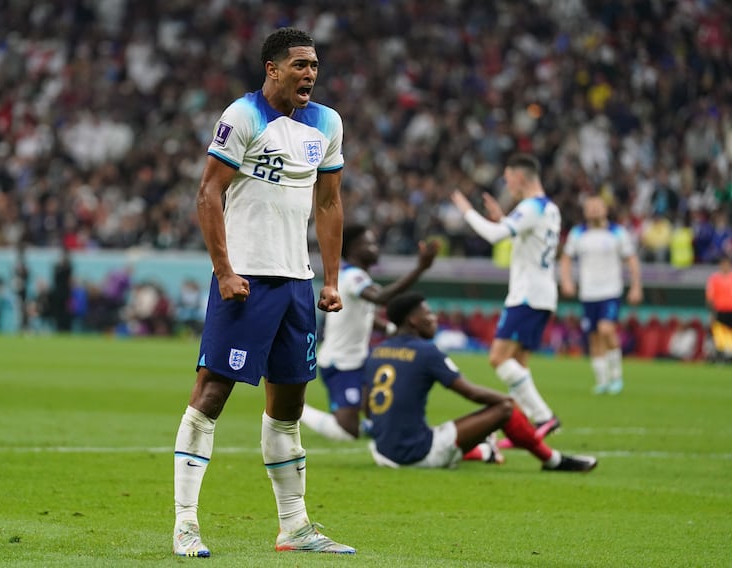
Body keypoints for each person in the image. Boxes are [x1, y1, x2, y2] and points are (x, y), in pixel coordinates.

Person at [172, 28, 355, 558]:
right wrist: (225, 271)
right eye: (300, 65)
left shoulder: (327, 123)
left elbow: (329, 204)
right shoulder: (243, 116)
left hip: (297, 285)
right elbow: (209, 192)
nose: (310, 74)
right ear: (272, 69)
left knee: (288, 408)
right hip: (246, 282)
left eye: (315, 65)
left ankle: (294, 527)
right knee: (210, 397)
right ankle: (186, 524)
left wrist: (330, 280)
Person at [365, 291, 597, 473]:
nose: (434, 318)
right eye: (429, 313)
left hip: (382, 451)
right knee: (504, 408)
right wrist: (509, 401)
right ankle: (553, 461)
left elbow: (367, 409)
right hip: (416, 455)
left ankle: (484, 450)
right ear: (414, 320)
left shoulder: (377, 351)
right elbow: (471, 393)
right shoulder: (426, 351)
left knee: (439, 431)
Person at [450, 153, 561, 439]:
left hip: (527, 295)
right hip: (543, 293)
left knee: (498, 358)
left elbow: (494, 236)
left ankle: (544, 418)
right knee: (518, 364)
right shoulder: (550, 209)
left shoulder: (531, 207)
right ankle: (524, 429)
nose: (507, 183)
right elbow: (525, 236)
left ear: (520, 177)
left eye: (509, 178)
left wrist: (466, 212)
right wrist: (505, 219)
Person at [301, 224, 439, 441]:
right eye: (370, 244)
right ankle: (297, 410)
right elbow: (380, 298)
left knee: (378, 411)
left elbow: (367, 314)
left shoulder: (358, 279)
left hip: (359, 360)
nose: (376, 248)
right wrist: (420, 268)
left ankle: (372, 425)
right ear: (354, 249)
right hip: (341, 363)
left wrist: (389, 328)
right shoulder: (353, 277)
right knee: (347, 432)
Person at [559, 196, 643, 394]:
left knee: (607, 330)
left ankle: (616, 376)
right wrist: (567, 281)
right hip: (588, 293)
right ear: (585, 211)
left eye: (598, 207)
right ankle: (602, 381)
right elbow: (566, 259)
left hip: (610, 291)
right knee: (594, 337)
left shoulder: (617, 233)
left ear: (606, 209)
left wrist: (636, 286)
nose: (594, 210)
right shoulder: (578, 234)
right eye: (590, 207)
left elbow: (631, 259)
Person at [706, 254, 732, 360]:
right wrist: (712, 313)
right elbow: (710, 297)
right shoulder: (714, 278)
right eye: (723, 264)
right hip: (720, 311)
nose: (724, 266)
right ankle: (719, 356)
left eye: (726, 264)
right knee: (719, 335)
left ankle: (729, 355)